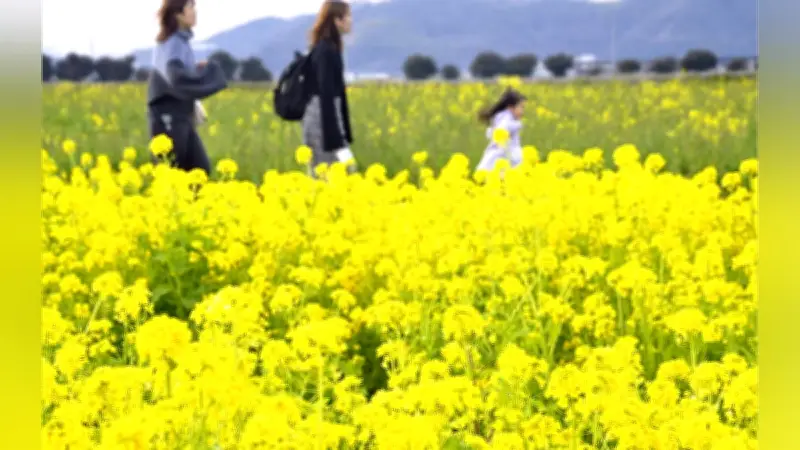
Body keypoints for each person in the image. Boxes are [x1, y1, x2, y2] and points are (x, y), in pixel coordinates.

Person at [147, 0, 228, 175]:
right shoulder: (173, 42)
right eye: (190, 7)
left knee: (198, 170)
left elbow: (176, 76)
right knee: (173, 172)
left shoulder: (180, 41)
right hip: (169, 115)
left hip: (181, 115)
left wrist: (196, 70)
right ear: (178, 14)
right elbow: (176, 78)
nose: (195, 12)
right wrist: (207, 73)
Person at [302, 1, 355, 176]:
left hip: (328, 119)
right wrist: (335, 139)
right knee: (333, 174)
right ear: (336, 20)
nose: (351, 21)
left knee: (343, 172)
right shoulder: (325, 50)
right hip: (323, 122)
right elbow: (326, 93)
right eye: (348, 16)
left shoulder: (330, 48)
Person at [475, 88, 528, 172]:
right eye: (521, 107)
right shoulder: (505, 118)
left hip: (505, 158)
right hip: (500, 159)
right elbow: (502, 129)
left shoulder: (506, 118)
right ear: (511, 107)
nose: (523, 111)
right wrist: (516, 126)